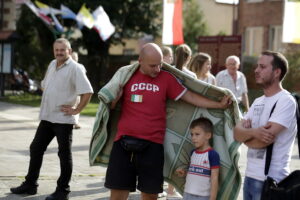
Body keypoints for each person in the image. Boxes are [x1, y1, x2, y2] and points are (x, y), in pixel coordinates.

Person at [104, 43, 231, 200]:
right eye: (153, 65)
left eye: (160, 64)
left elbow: (190, 97)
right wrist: (114, 99)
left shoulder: (166, 78)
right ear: (140, 61)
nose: (157, 69)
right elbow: (107, 107)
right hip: (123, 143)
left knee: (151, 196)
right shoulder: (126, 76)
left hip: (152, 145)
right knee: (117, 195)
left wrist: (218, 105)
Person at [10, 38, 94, 200]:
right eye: (57, 50)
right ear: (53, 50)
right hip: (47, 117)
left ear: (69, 51)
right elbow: (45, 84)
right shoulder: (51, 64)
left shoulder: (76, 68)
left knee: (64, 154)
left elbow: (88, 91)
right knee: (36, 148)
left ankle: (63, 191)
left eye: (62, 50)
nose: (59, 52)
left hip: (63, 120)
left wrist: (77, 109)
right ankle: (30, 185)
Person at [234, 51, 297, 200]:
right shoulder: (257, 102)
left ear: (276, 72)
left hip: (271, 180)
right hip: (249, 177)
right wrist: (254, 132)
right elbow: (236, 133)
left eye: (262, 67)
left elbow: (263, 141)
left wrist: (246, 134)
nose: (256, 70)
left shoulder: (285, 101)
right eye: (257, 66)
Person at [176, 117, 220, 200]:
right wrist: (185, 173)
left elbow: (214, 178)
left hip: (202, 196)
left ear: (208, 135)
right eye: (192, 134)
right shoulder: (193, 153)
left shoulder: (212, 154)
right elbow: (194, 171)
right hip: (187, 194)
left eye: (197, 134)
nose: (193, 137)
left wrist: (212, 198)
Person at [71, 52, 81, 130]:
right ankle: (73, 122)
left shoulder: (80, 67)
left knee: (77, 106)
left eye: (76, 57)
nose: (75, 59)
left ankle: (76, 122)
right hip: (70, 91)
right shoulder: (67, 67)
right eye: (73, 57)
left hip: (78, 90)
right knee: (72, 106)